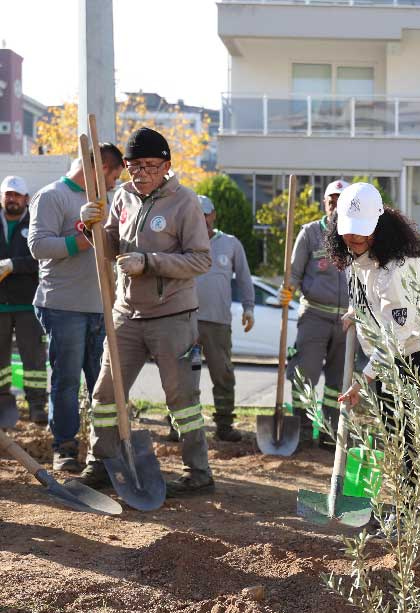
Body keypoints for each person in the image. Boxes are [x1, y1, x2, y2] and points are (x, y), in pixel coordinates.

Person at [77, 127, 213, 496]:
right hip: (126, 314)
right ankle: (100, 461)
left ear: (167, 166)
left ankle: (198, 472)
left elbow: (201, 260)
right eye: (134, 166)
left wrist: (149, 262)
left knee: (181, 399)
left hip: (173, 315)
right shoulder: (122, 197)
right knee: (104, 394)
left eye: (151, 166)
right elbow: (107, 248)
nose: (142, 173)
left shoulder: (185, 202)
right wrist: (90, 227)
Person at [306, 182, 420, 535]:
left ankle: (407, 518)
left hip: (414, 360)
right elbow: (365, 296)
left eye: (362, 234)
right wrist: (353, 312)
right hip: (387, 359)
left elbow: (400, 332)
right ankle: (398, 512)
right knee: (393, 435)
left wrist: (365, 377)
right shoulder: (356, 259)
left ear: (380, 225)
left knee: (407, 440)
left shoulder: (397, 269)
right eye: (348, 233)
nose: (355, 239)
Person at [29, 146, 124, 472]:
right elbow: (39, 247)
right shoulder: (52, 196)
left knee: (102, 384)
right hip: (63, 305)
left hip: (100, 306)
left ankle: (105, 449)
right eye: (113, 175)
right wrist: (82, 236)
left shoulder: (107, 202)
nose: (114, 184)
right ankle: (65, 447)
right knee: (67, 381)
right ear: (99, 168)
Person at [284, 179, 350, 448]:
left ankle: (330, 433)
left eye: (341, 201)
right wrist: (287, 290)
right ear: (325, 203)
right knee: (305, 375)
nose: (335, 206)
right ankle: (300, 430)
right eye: (331, 201)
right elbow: (294, 273)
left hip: (346, 322)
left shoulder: (356, 235)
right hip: (314, 316)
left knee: (338, 383)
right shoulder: (310, 233)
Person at [191, 194, 254, 441]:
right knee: (184, 375)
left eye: (206, 214)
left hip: (218, 324)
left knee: (223, 374)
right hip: (185, 322)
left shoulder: (230, 243)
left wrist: (249, 308)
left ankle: (224, 425)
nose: (202, 219)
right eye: (197, 214)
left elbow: (245, 278)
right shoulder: (180, 242)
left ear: (214, 215)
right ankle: (180, 426)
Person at [0, 176, 47, 426]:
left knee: (35, 359)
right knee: (0, 362)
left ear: (26, 199)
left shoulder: (35, 223)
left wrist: (13, 265)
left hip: (29, 304)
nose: (12, 199)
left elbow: (42, 258)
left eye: (17, 195)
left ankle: (37, 406)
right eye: (8, 194)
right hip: (0, 305)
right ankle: (2, 404)